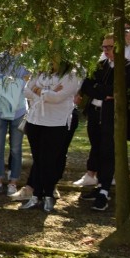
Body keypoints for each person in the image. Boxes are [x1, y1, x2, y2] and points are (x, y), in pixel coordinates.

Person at [19, 60, 83, 212]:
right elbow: (26, 90)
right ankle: (36, 195)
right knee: (38, 159)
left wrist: (39, 90)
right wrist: (49, 91)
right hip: (35, 120)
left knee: (49, 160)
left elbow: (59, 97)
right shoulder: (40, 69)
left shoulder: (72, 74)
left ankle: (48, 195)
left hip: (56, 122)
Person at [0, 49, 30, 196]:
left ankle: (13, 183)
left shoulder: (28, 59)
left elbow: (29, 84)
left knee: (16, 149)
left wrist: (7, 83)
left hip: (19, 110)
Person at [81, 35, 115, 211]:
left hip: (110, 116)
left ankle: (105, 190)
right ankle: (99, 184)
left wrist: (98, 90)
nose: (106, 50)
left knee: (108, 150)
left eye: (109, 47)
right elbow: (87, 85)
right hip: (94, 113)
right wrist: (101, 92)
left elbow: (116, 90)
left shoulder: (126, 67)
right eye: (103, 47)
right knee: (96, 147)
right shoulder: (101, 65)